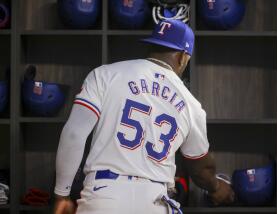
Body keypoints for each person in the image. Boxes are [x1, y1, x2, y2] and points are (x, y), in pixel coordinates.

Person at [54, 19, 234, 214]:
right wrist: (216, 187)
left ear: (152, 45)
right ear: (183, 57)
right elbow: (201, 170)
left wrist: (62, 194)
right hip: (154, 201)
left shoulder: (105, 74)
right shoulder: (191, 105)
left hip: (104, 195)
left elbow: (74, 134)